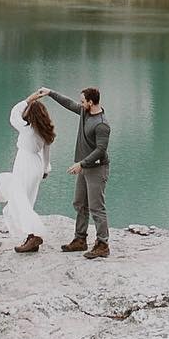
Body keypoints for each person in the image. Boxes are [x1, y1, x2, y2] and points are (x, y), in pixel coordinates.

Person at [36, 85, 112, 258]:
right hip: (84, 167)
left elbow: (100, 150)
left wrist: (82, 164)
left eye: (83, 101)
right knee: (80, 204)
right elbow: (69, 104)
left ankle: (103, 244)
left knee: (96, 208)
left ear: (91, 102)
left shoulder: (102, 125)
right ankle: (80, 240)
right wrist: (50, 93)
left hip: (96, 169)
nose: (80, 103)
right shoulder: (85, 113)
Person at [0, 92, 55, 254]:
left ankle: (34, 235)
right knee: (27, 200)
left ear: (30, 114)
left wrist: (28, 99)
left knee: (20, 201)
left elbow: (14, 115)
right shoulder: (45, 132)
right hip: (36, 166)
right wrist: (45, 169)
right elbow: (46, 156)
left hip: (25, 165)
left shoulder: (27, 129)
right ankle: (31, 237)